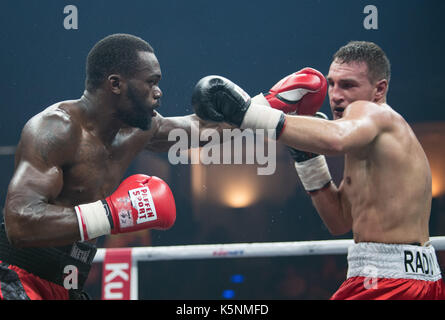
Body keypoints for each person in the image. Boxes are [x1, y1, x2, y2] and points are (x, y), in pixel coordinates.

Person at [192, 41, 445, 300]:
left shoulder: (375, 113)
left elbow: (336, 139)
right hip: (411, 279)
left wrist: (244, 113)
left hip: (390, 282)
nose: (335, 95)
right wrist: (308, 159)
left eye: (348, 85)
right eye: (332, 83)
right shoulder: (370, 146)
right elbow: (339, 220)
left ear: (379, 89)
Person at [1, 33, 227, 300]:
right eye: (150, 82)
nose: (158, 92)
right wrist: (112, 215)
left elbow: (201, 130)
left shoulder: (139, 130)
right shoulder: (57, 129)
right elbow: (19, 224)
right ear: (116, 84)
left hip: (68, 286)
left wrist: (263, 111)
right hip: (17, 279)